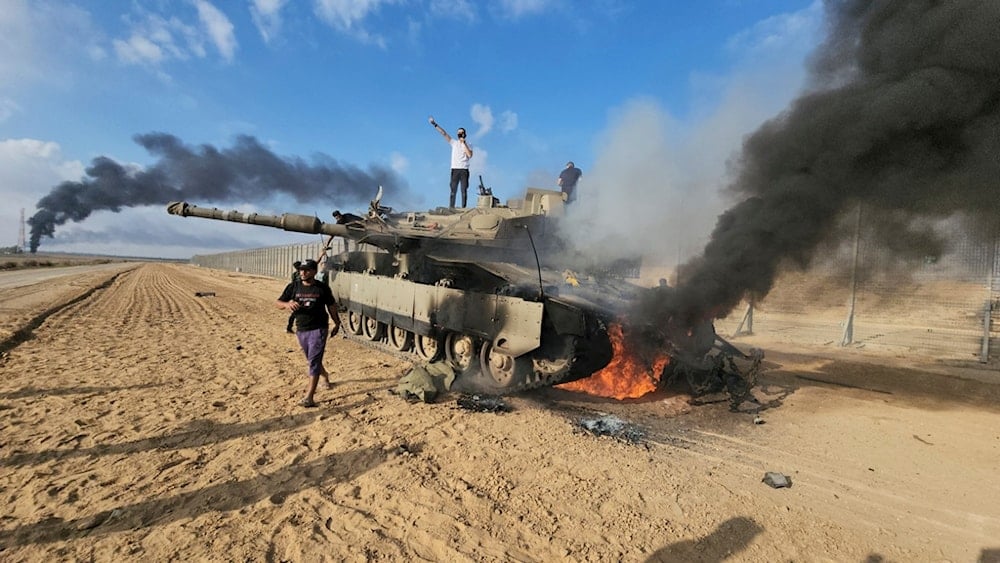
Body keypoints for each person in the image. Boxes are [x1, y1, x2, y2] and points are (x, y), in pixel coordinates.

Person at [276, 259, 342, 407]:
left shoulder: (322, 288)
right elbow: (278, 303)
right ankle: (325, 376)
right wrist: (287, 304)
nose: (302, 273)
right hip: (301, 329)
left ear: (314, 272)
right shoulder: (294, 287)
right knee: (312, 359)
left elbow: (331, 306)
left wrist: (337, 323)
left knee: (313, 361)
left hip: (319, 328)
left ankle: (309, 397)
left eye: (306, 270)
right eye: (301, 270)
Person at [428, 116, 473, 208]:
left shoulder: (469, 144)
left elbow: (469, 155)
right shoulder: (454, 143)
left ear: (465, 134)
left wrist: (463, 143)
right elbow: (444, 134)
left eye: (461, 133)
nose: (459, 135)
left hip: (464, 169)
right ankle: (451, 207)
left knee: (464, 190)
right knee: (453, 190)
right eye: (458, 133)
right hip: (455, 169)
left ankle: (463, 208)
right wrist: (434, 124)